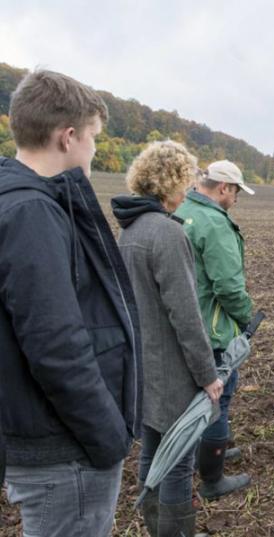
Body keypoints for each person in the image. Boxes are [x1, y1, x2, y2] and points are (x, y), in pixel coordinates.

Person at [0, 69, 142, 537]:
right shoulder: (32, 213)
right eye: (94, 138)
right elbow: (55, 344)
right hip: (64, 452)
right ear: (68, 137)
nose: (95, 149)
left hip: (48, 439)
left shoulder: (19, 201)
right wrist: (106, 438)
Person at [112, 141, 224, 535]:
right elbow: (186, 315)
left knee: (153, 451)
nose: (190, 189)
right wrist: (208, 374)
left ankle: (156, 528)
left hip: (142, 368)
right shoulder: (167, 234)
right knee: (177, 461)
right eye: (187, 180)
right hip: (173, 371)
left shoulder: (130, 231)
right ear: (171, 182)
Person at [174, 159, 255, 500]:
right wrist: (247, 317)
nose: (236, 198)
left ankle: (200, 455)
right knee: (218, 400)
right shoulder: (215, 224)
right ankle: (213, 478)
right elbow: (228, 287)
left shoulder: (181, 211)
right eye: (235, 191)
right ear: (224, 188)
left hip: (185, 323)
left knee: (197, 399)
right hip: (213, 327)